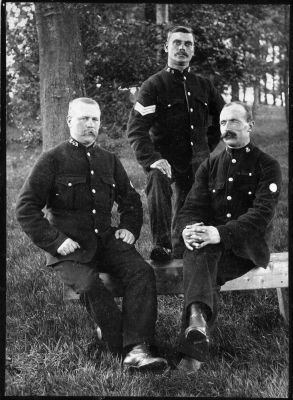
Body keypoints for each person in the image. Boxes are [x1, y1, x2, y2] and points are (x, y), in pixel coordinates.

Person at [16, 97, 168, 371]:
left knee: (141, 272)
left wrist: (130, 229)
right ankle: (120, 342)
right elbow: (25, 208)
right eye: (83, 118)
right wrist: (55, 241)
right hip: (69, 249)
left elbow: (131, 200)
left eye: (95, 119)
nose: (90, 124)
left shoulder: (108, 160)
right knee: (89, 286)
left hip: (106, 241)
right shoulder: (52, 159)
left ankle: (137, 348)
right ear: (69, 121)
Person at [175, 101, 282, 374]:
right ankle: (196, 328)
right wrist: (189, 230)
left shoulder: (267, 166)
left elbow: (261, 215)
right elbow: (190, 208)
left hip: (245, 250)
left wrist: (218, 233)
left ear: (250, 125)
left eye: (234, 121)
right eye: (223, 123)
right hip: (211, 246)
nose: (227, 128)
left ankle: (195, 337)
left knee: (200, 264)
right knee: (199, 252)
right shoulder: (210, 165)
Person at [127, 25, 225, 261]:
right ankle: (162, 246)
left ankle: (187, 245)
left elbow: (223, 119)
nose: (182, 48)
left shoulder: (203, 85)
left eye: (188, 44)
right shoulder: (153, 86)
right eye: (177, 43)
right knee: (157, 177)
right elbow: (136, 129)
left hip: (197, 162)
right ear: (166, 48)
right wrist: (153, 159)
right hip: (166, 160)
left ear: (193, 51)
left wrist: (206, 147)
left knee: (200, 203)